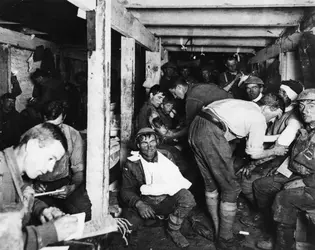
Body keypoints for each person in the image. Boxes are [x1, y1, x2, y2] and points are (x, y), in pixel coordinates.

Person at [188, 94, 286, 250]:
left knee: (211, 184)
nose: (273, 121)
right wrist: (275, 150)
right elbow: (254, 153)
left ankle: (218, 230)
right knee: (231, 188)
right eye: (275, 116)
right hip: (211, 133)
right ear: (269, 108)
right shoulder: (258, 118)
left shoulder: (246, 105)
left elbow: (248, 137)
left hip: (196, 127)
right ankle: (225, 238)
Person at [252, 89, 315, 250]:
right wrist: (283, 170)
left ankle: (284, 246)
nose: (304, 110)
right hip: (297, 175)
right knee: (261, 185)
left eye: (312, 105)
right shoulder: (306, 129)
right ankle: (274, 232)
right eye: (301, 105)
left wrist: (305, 182)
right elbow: (294, 156)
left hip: (312, 184)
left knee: (284, 198)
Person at [0, 122, 78, 249]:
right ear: (31, 145)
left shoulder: (14, 172)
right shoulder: (2, 174)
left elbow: (21, 196)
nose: (51, 168)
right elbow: (4, 242)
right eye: (50, 158)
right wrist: (50, 232)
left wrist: (42, 210)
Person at [238, 80, 304, 228]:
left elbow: (280, 149)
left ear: (292, 97)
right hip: (268, 154)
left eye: (284, 93)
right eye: (280, 91)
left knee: (248, 181)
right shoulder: (277, 110)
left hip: (280, 161)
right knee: (240, 174)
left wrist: (253, 163)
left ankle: (263, 217)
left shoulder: (293, 119)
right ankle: (259, 211)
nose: (279, 95)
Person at [120, 128, 196, 248]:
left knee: (187, 199)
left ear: (157, 142)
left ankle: (173, 229)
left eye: (152, 141)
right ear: (138, 145)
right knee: (129, 225)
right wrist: (139, 204)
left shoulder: (166, 156)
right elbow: (126, 190)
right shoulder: (131, 163)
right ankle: (157, 219)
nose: (149, 146)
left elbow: (175, 180)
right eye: (144, 143)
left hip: (165, 199)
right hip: (145, 201)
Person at [34, 100, 91, 221]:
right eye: (49, 126)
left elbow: (79, 171)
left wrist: (72, 187)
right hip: (40, 185)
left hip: (64, 183)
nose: (54, 131)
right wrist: (33, 184)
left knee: (83, 211)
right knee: (42, 219)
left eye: (58, 125)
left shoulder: (73, 135)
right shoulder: (30, 136)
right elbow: (20, 175)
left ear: (64, 117)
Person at [167, 78, 232, 139]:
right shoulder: (196, 86)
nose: (175, 97)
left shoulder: (192, 97)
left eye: (174, 93)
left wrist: (173, 135)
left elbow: (191, 126)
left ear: (179, 87)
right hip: (234, 105)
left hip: (229, 118)